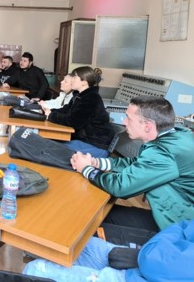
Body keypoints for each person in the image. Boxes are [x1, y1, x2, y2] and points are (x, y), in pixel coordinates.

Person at [71, 96, 194, 237]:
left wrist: (86, 169)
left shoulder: (163, 153)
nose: (124, 122)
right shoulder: (177, 136)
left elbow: (120, 187)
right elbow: (138, 164)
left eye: (129, 118)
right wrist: (97, 163)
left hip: (179, 231)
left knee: (88, 228)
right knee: (98, 215)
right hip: (179, 217)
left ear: (147, 126)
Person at [23, 219, 194, 281]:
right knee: (72, 241)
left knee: (35, 269)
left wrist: (170, 238)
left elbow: (154, 261)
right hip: (141, 261)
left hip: (138, 273)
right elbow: (185, 225)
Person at [43, 66, 114, 158]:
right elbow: (65, 110)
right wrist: (47, 111)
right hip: (83, 140)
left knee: (50, 151)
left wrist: (51, 116)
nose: (72, 80)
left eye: (74, 77)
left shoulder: (92, 98)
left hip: (95, 145)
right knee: (47, 144)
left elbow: (73, 121)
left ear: (84, 82)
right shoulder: (79, 96)